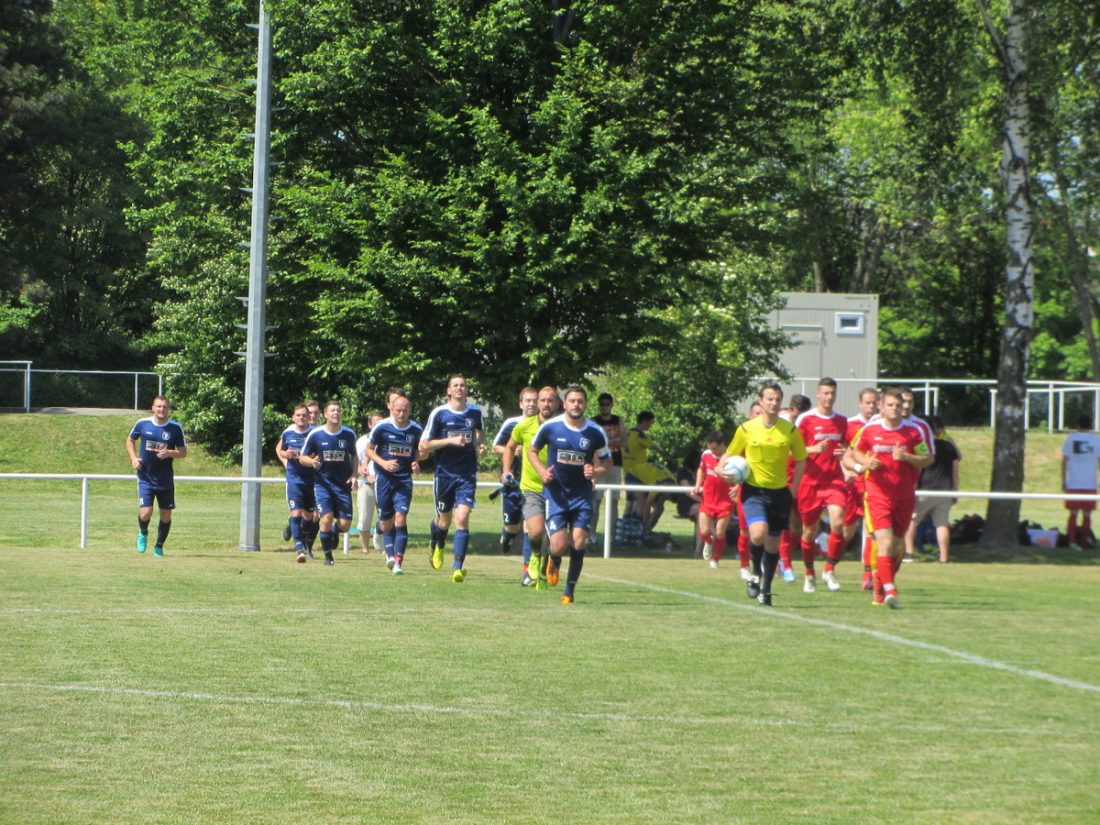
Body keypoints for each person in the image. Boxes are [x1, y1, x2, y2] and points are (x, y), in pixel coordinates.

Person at [716, 383, 807, 606]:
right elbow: (730, 453)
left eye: (777, 399)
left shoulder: (790, 430)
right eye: (769, 399)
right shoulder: (747, 429)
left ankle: (766, 589)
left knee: (773, 545)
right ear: (761, 401)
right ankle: (755, 571)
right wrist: (719, 468)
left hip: (780, 494)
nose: (773, 403)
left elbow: (801, 459)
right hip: (753, 491)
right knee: (757, 534)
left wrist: (793, 489)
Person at [846, 388, 932, 608]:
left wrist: (907, 457)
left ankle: (880, 585)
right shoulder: (870, 429)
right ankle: (890, 589)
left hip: (904, 495)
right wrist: (865, 462)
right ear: (881, 407)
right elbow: (855, 452)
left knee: (898, 546)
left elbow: (926, 458)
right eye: (890, 405)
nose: (895, 409)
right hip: (878, 494)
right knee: (884, 542)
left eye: (898, 405)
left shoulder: (913, 432)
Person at [528, 386, 611, 604]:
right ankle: (554, 560)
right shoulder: (551, 427)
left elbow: (607, 463)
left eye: (580, 401)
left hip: (582, 496)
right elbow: (532, 451)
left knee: (579, 541)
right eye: (572, 401)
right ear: (564, 404)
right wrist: (542, 472)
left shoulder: (595, 432)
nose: (576, 405)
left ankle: (569, 591)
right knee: (558, 545)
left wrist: (595, 471)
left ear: (585, 404)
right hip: (556, 495)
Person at [420, 374, 486, 582]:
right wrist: (449, 441)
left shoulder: (475, 412)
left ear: (467, 390)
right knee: (444, 521)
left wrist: (480, 445)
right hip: (444, 475)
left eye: (462, 385)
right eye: (455, 385)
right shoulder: (439, 413)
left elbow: (480, 433)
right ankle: (438, 543)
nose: (459, 388)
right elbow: (425, 445)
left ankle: (457, 567)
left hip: (467, 474)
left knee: (462, 517)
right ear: (448, 390)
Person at [795, 378, 850, 593]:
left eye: (832, 393)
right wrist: (813, 449)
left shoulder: (842, 420)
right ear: (818, 394)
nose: (829, 397)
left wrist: (844, 453)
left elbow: (845, 447)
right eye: (825, 393)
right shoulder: (805, 419)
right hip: (810, 482)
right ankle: (809, 574)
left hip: (834, 480)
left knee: (838, 522)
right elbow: (792, 449)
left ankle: (830, 569)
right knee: (809, 531)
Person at [502, 386, 560, 586]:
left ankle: (547, 564)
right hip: (531, 487)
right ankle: (532, 561)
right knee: (535, 531)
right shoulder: (524, 426)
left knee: (556, 538)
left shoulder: (563, 426)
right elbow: (509, 447)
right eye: (542, 400)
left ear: (557, 403)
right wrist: (506, 470)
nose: (545, 404)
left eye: (550, 400)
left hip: (558, 489)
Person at [365, 392, 424, 575]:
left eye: (405, 411)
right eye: (398, 410)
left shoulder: (416, 429)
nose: (401, 414)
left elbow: (421, 451)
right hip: (384, 479)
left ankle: (398, 561)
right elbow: (368, 450)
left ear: (409, 410)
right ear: (392, 408)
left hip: (404, 480)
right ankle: (389, 555)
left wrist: (416, 462)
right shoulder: (381, 427)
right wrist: (383, 463)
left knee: (401, 517)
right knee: (385, 522)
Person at [126, 395, 187, 557]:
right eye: (158, 406)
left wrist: (169, 453)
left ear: (168, 409)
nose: (161, 409)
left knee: (166, 516)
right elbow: (130, 440)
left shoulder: (175, 428)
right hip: (145, 477)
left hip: (165, 479)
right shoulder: (142, 423)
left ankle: (159, 546)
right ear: (153, 408)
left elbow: (183, 452)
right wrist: (133, 459)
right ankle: (143, 532)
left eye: (164, 407)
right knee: (145, 512)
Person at [299, 400, 358, 566]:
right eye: (332, 410)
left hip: (342, 485)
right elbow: (302, 457)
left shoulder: (348, 434)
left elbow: (355, 456)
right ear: (325, 414)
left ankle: (333, 531)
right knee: (326, 517)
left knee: (345, 525)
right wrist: (311, 462)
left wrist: (354, 475)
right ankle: (328, 557)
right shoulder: (316, 434)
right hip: (322, 485)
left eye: (338, 410)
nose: (336, 413)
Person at [905, 415, 961, 563]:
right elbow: (955, 471)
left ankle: (909, 553)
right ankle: (944, 557)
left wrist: (912, 488)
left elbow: (918, 470)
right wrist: (955, 491)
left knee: (911, 520)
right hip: (945, 490)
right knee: (942, 524)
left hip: (925, 489)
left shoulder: (923, 448)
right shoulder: (949, 446)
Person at [493, 387, 538, 555]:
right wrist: (512, 451)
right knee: (513, 525)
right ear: (521, 404)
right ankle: (508, 536)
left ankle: (528, 566)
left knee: (529, 524)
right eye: (528, 401)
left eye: (534, 401)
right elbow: (496, 447)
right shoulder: (512, 423)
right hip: (513, 481)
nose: (531, 404)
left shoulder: (544, 425)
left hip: (533, 481)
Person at [845, 388, 879, 590]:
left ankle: (870, 575)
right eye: (868, 402)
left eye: (875, 402)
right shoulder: (853, 425)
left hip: (875, 489)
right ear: (860, 403)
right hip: (854, 485)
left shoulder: (890, 427)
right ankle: (831, 563)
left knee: (871, 532)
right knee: (845, 531)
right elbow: (845, 454)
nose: (872, 406)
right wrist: (854, 469)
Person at [622, 411, 676, 537]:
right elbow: (654, 446)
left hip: (627, 470)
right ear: (645, 421)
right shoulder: (639, 434)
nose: (650, 426)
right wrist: (663, 451)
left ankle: (626, 530)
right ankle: (637, 531)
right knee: (640, 501)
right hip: (639, 473)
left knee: (630, 502)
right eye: (650, 424)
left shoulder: (627, 433)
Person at [275, 403, 317, 559]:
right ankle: (299, 549)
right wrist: (286, 456)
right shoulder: (288, 433)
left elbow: (320, 453)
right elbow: (281, 450)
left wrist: (313, 458)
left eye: (304, 415)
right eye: (298, 415)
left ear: (308, 417)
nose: (301, 418)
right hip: (294, 479)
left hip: (312, 479)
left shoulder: (314, 433)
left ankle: (304, 541)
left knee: (310, 516)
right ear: (293, 417)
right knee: (296, 512)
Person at [694, 431, 734, 570]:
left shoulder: (732, 458)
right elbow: (701, 470)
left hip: (725, 501)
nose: (712, 451)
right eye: (710, 448)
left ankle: (715, 559)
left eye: (715, 448)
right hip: (708, 499)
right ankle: (709, 541)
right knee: (704, 532)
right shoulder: (706, 454)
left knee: (720, 532)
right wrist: (698, 485)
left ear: (722, 444)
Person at [1062, 415, 1100, 549]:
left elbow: (1064, 461)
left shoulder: (1070, 439)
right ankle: (1085, 543)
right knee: (1087, 513)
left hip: (1073, 482)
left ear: (1078, 425)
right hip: (1090, 483)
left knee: (1073, 513)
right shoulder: (1096, 440)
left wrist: (1064, 480)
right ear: (1090, 426)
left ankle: (1071, 541)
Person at [591, 392, 625, 537]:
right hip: (599, 464)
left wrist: (605, 442)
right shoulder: (594, 421)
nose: (604, 407)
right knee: (596, 500)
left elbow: (623, 441)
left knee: (614, 500)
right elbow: (593, 442)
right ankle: (592, 534)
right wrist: (612, 441)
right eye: (602, 404)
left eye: (607, 404)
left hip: (615, 463)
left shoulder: (619, 420)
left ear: (611, 405)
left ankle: (612, 535)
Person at [355, 412, 385, 555]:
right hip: (366, 484)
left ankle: (381, 540)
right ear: (369, 424)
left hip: (384, 484)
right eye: (375, 423)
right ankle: (365, 549)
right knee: (364, 519)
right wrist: (366, 475)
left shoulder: (387, 439)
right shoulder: (362, 442)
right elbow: (356, 463)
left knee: (386, 516)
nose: (378, 425)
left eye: (381, 422)